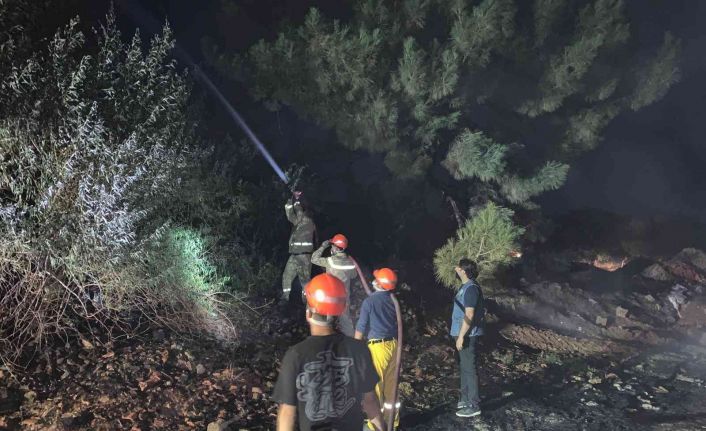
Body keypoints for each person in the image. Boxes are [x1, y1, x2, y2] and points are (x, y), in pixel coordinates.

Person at [273, 273, 385, 431]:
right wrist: (383, 427)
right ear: (340, 311)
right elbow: (370, 401)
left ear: (308, 312)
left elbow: (287, 413)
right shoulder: (358, 350)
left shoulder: (296, 355)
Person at [354, 268, 400, 429]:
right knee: (391, 387)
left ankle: (374, 426)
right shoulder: (392, 300)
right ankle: (391, 422)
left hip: (378, 348)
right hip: (394, 347)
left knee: (374, 388)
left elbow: (361, 327)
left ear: (378, 283)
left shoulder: (370, 302)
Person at [450, 258, 485, 418]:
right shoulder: (464, 287)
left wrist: (461, 336)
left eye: (458, 267)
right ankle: (465, 399)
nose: (455, 269)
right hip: (462, 333)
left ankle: (473, 404)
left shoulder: (471, 288)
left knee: (469, 368)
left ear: (463, 271)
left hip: (468, 334)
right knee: (464, 367)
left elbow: (469, 314)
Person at [311, 233, 358, 336]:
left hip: (329, 298)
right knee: (346, 321)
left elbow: (313, 259)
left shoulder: (330, 261)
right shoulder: (350, 263)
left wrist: (323, 246)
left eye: (332, 245)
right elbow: (354, 275)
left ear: (336, 248)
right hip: (344, 298)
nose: (331, 247)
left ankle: (326, 341)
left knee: (327, 321)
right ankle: (351, 342)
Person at [280, 191, 315, 306]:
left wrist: (294, 199)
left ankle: (307, 302)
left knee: (305, 281)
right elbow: (293, 214)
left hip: (304, 256)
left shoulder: (306, 220)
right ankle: (285, 298)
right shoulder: (303, 221)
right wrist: (293, 199)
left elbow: (293, 214)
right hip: (296, 255)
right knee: (287, 275)